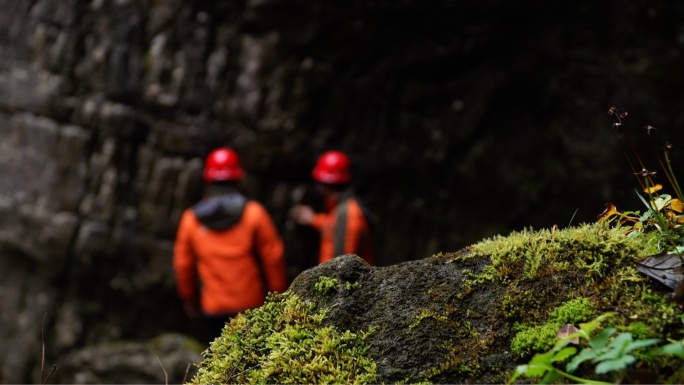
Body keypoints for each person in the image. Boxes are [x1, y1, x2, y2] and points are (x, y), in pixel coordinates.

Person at [173, 147, 287, 343]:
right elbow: (274, 257)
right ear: (238, 178)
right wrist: (279, 299)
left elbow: (183, 266)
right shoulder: (254, 213)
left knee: (219, 364)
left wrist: (189, 299)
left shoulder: (191, 219)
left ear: (208, 179)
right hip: (251, 305)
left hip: (214, 307)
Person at [290, 150, 375, 265]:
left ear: (323, 186)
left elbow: (344, 265)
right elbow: (335, 227)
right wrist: (313, 219)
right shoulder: (344, 208)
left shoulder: (347, 213)